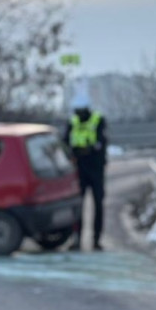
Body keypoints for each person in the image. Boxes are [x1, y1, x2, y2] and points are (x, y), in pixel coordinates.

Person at [64, 90, 108, 250]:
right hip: (79, 170)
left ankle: (96, 240)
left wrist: (90, 150)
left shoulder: (98, 120)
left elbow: (102, 143)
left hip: (96, 169)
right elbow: (65, 143)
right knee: (77, 206)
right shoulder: (72, 122)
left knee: (98, 204)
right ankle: (76, 239)